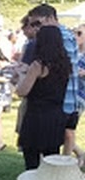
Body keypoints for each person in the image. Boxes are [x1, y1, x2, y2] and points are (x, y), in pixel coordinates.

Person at [16, 25, 70, 171]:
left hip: (36, 115)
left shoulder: (38, 65)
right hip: (56, 114)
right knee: (52, 158)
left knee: (32, 160)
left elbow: (22, 91)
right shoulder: (65, 64)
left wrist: (21, 74)